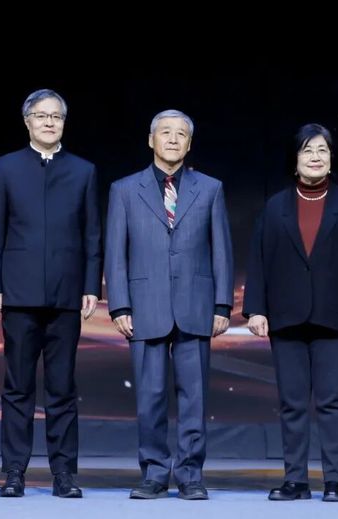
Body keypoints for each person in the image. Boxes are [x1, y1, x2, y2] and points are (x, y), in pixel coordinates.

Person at [105, 109, 233, 500]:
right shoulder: (124, 190)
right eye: (165, 132)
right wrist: (120, 306)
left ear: (189, 144)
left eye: (181, 134)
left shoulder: (210, 188)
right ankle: (154, 473)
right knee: (151, 397)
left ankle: (191, 475)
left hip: (196, 305)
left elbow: (222, 251)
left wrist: (222, 305)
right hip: (145, 305)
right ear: (151, 140)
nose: (173, 139)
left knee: (194, 397)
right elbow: (116, 252)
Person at [242, 123, 338, 502]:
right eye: (307, 150)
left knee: (332, 401)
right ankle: (296, 481)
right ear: (295, 159)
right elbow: (259, 260)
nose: (315, 157)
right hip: (286, 318)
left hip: (335, 318)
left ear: (332, 158)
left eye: (322, 150)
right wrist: (255, 310)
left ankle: (335, 482)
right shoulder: (275, 206)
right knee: (292, 403)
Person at [0, 89, 101, 499]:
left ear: (64, 123)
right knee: (18, 386)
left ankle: (64, 473)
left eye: (56, 116)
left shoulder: (83, 171)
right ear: (27, 121)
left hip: (67, 294)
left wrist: (91, 285)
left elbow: (92, 234)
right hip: (18, 294)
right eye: (41, 115)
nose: (49, 122)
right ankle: (14, 471)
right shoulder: (5, 167)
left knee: (62, 387)